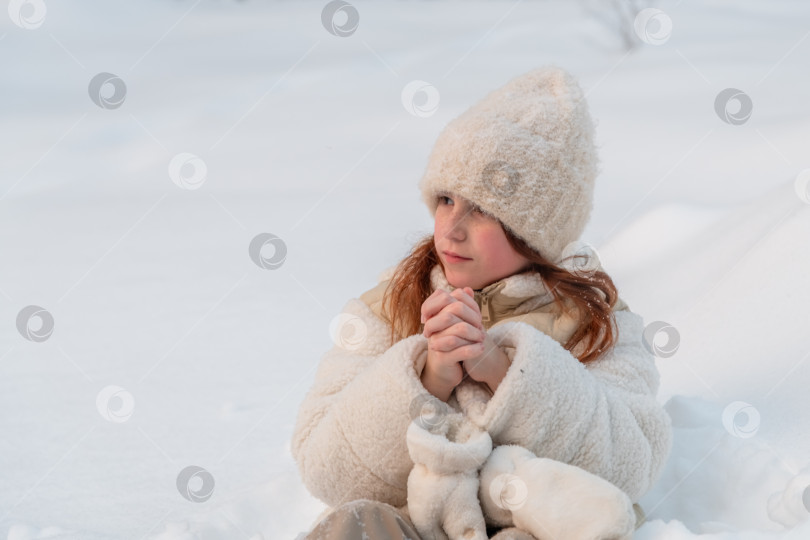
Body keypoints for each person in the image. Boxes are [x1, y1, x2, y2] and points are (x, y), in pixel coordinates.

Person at [291, 65, 673, 540]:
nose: (450, 228)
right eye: (447, 199)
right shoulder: (388, 309)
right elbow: (324, 469)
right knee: (355, 527)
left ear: (536, 232)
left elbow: (630, 463)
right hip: (413, 527)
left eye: (484, 210)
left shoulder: (592, 323)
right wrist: (426, 380)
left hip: (532, 529)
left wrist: (505, 371)